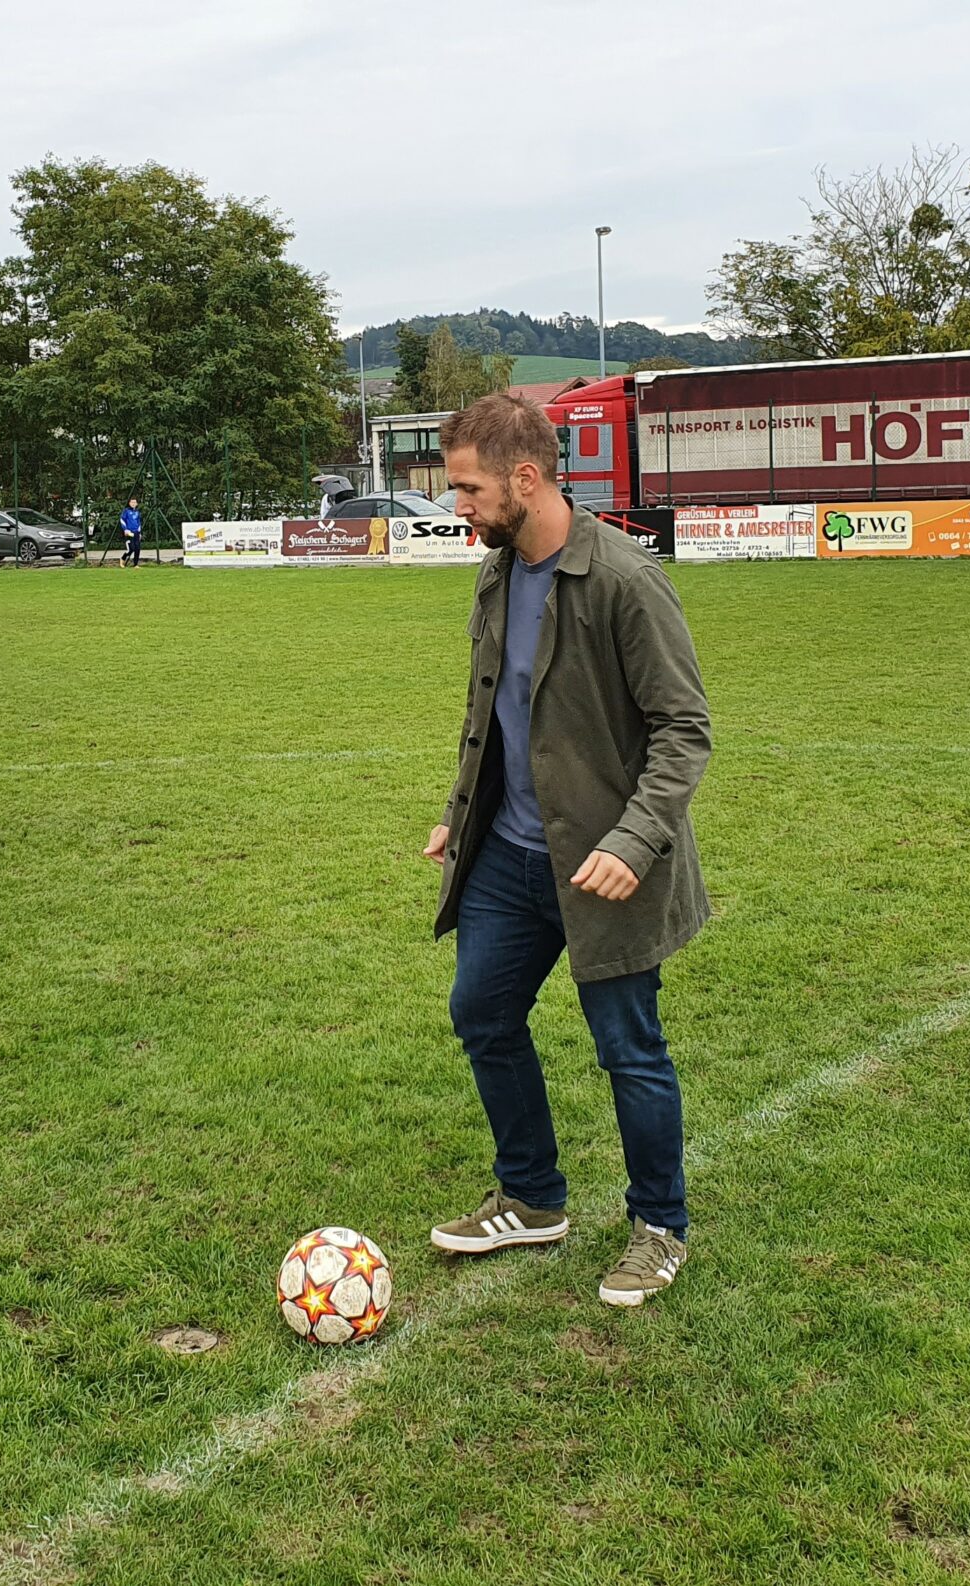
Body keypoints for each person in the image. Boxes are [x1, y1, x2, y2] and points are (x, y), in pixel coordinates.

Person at [421, 394, 711, 1307]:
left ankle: (659, 1225)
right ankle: (533, 1196)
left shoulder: (624, 579)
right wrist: (458, 814)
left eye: (467, 488)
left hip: (604, 866)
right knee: (482, 1014)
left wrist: (634, 839)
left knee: (629, 1048)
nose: (456, 506)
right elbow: (496, 715)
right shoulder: (497, 572)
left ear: (525, 478)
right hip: (508, 857)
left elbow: (684, 727)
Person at [120, 498, 143, 567]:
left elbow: (138, 523)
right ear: (129, 503)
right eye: (132, 502)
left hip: (136, 532)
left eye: (134, 502)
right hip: (129, 532)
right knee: (131, 549)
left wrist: (139, 532)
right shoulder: (126, 511)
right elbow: (122, 520)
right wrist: (125, 529)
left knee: (137, 548)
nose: (133, 503)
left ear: (136, 504)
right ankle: (122, 558)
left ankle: (135, 564)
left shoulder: (137, 512)